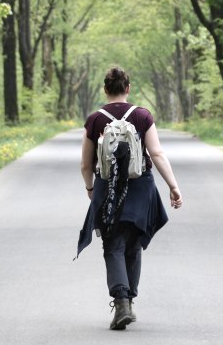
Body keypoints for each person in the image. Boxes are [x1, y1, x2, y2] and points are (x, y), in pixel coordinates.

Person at [77, 66, 182, 330]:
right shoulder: (142, 115)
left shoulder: (94, 119)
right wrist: (173, 185)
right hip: (140, 187)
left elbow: (85, 164)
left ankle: (121, 302)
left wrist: (91, 189)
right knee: (134, 244)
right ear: (128, 88)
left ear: (105, 89)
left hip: (108, 187)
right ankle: (129, 301)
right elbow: (156, 154)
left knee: (113, 245)